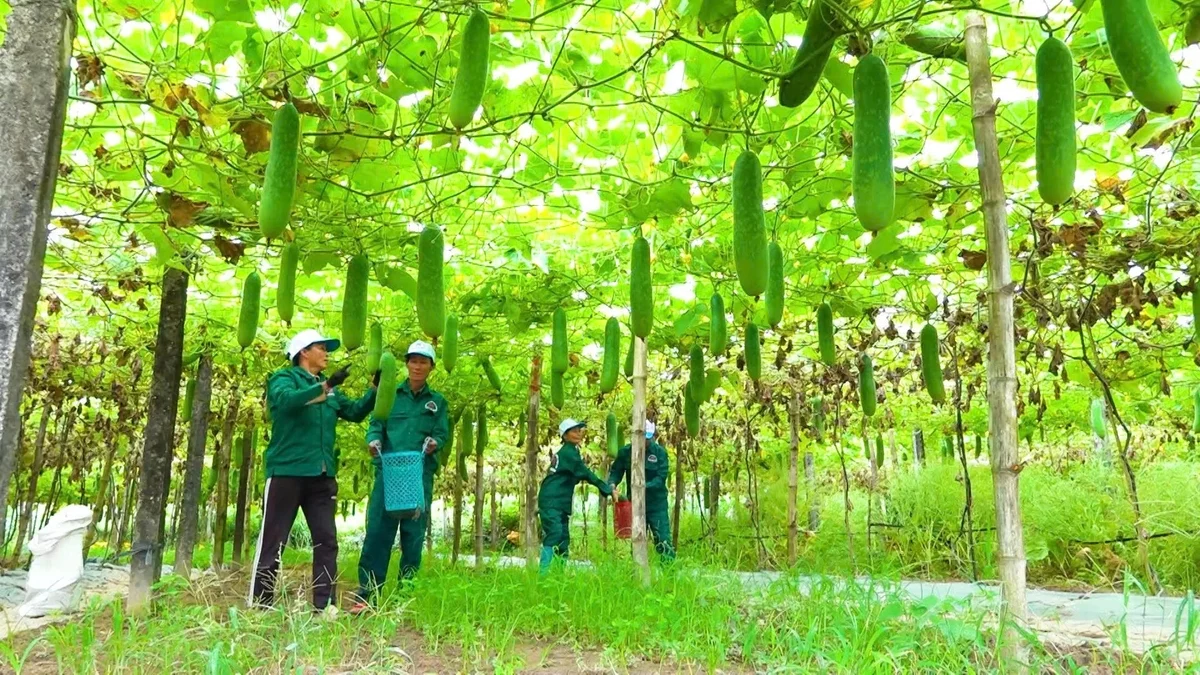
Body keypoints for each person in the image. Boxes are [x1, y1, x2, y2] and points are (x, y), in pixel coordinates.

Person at [249, 329, 377, 614]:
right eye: (322, 347)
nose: (326, 353)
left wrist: (375, 392)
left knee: (327, 540)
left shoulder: (328, 389)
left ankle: (324, 605)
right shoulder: (283, 379)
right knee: (274, 540)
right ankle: (261, 605)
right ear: (304, 351)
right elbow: (286, 402)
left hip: (321, 475)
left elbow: (355, 412)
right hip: (287, 472)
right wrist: (327, 385)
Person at [349, 341, 449, 613]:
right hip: (389, 473)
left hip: (419, 475)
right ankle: (368, 592)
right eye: (413, 361)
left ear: (431, 367)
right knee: (378, 532)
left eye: (423, 362)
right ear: (406, 364)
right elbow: (376, 424)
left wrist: (434, 443)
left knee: (413, 534)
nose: (417, 366)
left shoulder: (437, 402)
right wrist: (373, 441)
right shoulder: (389, 394)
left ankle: (407, 594)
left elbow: (442, 434)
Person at [537, 419, 613, 572]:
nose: (578, 433)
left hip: (560, 500)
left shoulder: (572, 452)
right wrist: (606, 488)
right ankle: (543, 575)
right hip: (551, 499)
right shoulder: (568, 453)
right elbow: (584, 472)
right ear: (565, 436)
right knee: (555, 533)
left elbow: (576, 474)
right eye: (574, 431)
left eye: (579, 430)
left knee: (564, 538)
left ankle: (559, 576)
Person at [608, 420, 675, 562]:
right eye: (640, 437)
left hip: (657, 505)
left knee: (663, 541)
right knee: (637, 541)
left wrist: (643, 486)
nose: (643, 441)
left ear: (651, 437)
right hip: (635, 504)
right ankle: (638, 574)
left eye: (647, 438)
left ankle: (670, 575)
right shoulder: (625, 453)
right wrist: (612, 485)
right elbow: (615, 472)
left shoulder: (660, 453)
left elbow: (660, 478)